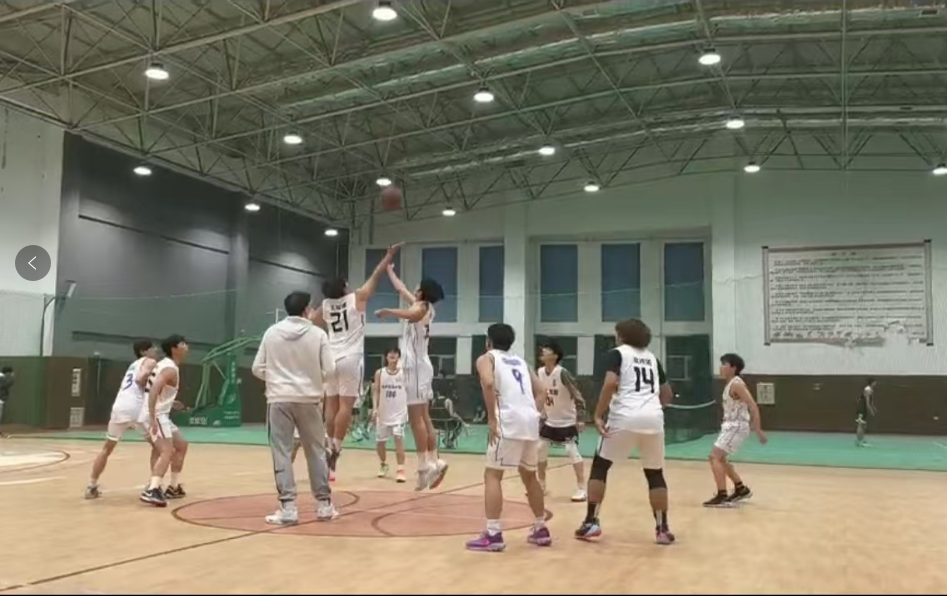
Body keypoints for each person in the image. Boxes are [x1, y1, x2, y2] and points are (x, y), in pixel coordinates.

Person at [575, 319, 675, 545]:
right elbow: (667, 394)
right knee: (655, 473)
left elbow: (610, 383)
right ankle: (662, 529)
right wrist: (649, 408)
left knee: (600, 466)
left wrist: (598, 414)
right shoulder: (653, 359)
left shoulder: (618, 354)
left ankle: (591, 522)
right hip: (654, 419)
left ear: (622, 335)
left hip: (624, 416)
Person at [313, 244, 401, 478]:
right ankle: (335, 450)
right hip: (350, 358)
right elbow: (376, 276)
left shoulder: (325, 305)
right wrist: (389, 256)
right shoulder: (357, 297)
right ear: (344, 286)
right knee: (346, 406)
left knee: (330, 405)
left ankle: (328, 444)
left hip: (329, 357)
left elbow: (311, 320)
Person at [253, 291, 337, 525]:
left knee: (281, 452)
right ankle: (324, 506)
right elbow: (330, 370)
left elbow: (257, 368)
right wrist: (314, 381)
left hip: (279, 400)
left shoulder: (272, 332)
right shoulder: (318, 334)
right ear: (306, 309)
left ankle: (288, 508)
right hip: (309, 400)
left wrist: (276, 381)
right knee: (316, 452)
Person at [465, 323, 550, 552]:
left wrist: (492, 418)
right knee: (530, 476)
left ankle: (493, 533)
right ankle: (540, 528)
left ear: (489, 341)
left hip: (508, 420)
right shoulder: (521, 362)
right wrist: (532, 413)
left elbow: (488, 383)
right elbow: (542, 391)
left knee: (493, 474)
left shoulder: (486, 358)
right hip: (529, 422)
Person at [375, 265, 448, 491]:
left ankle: (425, 466)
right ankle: (434, 461)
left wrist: (388, 311)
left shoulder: (422, 308)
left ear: (422, 292)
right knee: (424, 417)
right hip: (420, 366)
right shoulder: (422, 305)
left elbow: (412, 314)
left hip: (415, 367)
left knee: (416, 419)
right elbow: (401, 289)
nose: (413, 289)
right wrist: (390, 271)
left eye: (417, 288)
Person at [85, 340, 159, 499]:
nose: (156, 350)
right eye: (152, 348)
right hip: (136, 407)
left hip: (120, 406)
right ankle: (153, 486)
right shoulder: (150, 361)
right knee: (158, 446)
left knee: (107, 448)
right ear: (143, 352)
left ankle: (91, 485)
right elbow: (140, 379)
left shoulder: (133, 365)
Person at [703, 353, 768, 507]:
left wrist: (757, 428)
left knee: (714, 457)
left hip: (736, 426)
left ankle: (722, 495)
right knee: (720, 459)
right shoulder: (730, 384)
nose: (721, 367)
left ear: (733, 367)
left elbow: (752, 405)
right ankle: (740, 488)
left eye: (724, 364)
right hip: (730, 426)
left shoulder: (737, 384)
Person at [139, 335, 190, 507]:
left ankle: (173, 487)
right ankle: (152, 489)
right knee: (166, 451)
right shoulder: (170, 369)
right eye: (182, 344)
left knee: (181, 445)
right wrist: (152, 415)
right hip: (156, 415)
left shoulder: (166, 365)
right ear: (174, 348)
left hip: (160, 413)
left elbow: (155, 388)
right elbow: (154, 388)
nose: (186, 346)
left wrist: (170, 402)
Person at [536, 340, 588, 502]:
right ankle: (541, 484)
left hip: (567, 421)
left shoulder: (562, 373)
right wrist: (540, 412)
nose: (543, 351)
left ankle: (582, 488)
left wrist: (581, 418)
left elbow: (578, 396)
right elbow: (541, 394)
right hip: (550, 420)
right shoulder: (540, 372)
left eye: (547, 349)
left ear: (555, 355)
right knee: (540, 449)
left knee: (571, 451)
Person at [372, 347, 408, 482]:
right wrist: (375, 408)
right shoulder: (380, 373)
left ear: (399, 356)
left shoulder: (404, 373)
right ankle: (383, 464)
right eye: (390, 353)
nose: (393, 355)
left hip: (399, 413)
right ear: (386, 357)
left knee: (398, 439)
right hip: (383, 413)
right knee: (380, 443)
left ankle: (401, 469)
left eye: (395, 353)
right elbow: (376, 391)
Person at [855, 377, 877, 447]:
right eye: (875, 382)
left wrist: (873, 408)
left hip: (863, 408)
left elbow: (870, 402)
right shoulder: (868, 390)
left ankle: (861, 440)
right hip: (862, 408)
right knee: (860, 425)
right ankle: (859, 442)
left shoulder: (870, 390)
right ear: (872, 383)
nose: (876, 383)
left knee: (864, 425)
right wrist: (871, 411)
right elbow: (867, 403)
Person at [0, 366, 14, 438]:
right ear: (7, 373)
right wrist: (11, 378)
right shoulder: (2, 378)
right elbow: (6, 384)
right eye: (11, 373)